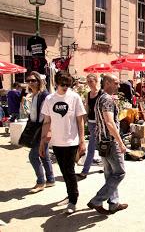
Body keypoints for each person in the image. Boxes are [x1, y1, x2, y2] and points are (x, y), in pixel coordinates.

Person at [39, 71, 86, 214]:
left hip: (72, 141)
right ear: (56, 83)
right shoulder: (49, 99)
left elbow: (80, 120)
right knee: (64, 171)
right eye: (62, 84)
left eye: (68, 84)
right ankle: (70, 194)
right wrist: (42, 142)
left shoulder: (74, 97)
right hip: (57, 142)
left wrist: (82, 141)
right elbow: (47, 122)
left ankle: (73, 200)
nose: (65, 87)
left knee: (70, 171)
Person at [88, 74, 128, 215]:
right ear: (108, 83)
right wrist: (120, 142)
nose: (118, 86)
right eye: (116, 83)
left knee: (110, 173)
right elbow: (109, 123)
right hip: (109, 142)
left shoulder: (100, 98)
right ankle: (97, 200)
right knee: (120, 172)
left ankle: (113, 203)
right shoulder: (107, 99)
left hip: (102, 140)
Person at [26, 72, 55, 193]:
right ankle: (50, 179)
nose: (30, 83)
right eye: (29, 81)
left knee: (33, 156)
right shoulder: (34, 95)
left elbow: (47, 116)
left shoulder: (45, 96)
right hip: (35, 128)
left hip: (41, 129)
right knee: (44, 155)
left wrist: (47, 131)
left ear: (39, 81)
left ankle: (40, 182)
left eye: (33, 80)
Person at [77, 74, 103, 180]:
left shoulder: (101, 94)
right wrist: (84, 121)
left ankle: (86, 171)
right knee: (94, 146)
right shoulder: (88, 94)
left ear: (96, 81)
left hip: (100, 123)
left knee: (96, 146)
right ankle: (87, 170)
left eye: (91, 81)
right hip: (92, 123)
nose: (89, 83)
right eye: (88, 81)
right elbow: (87, 108)